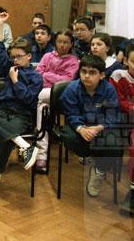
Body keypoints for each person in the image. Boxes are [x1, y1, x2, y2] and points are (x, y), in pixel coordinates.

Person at [0, 12, 43, 196]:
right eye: (13, 57)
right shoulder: (10, 68)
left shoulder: (35, 77)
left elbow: (28, 99)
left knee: (5, 137)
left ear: (29, 56)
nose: (15, 60)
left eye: (19, 56)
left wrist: (15, 81)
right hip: (2, 111)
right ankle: (25, 146)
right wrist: (0, 24)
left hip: (21, 115)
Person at [61, 55, 121, 199]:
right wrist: (81, 128)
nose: (87, 76)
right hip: (79, 125)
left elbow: (112, 115)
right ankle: (90, 155)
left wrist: (99, 127)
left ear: (102, 75)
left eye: (92, 72)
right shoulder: (72, 88)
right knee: (68, 137)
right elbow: (71, 113)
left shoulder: (109, 89)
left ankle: (99, 171)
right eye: (84, 71)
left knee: (113, 143)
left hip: (100, 126)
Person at [33, 28, 80, 172]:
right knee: (41, 106)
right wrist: (53, 77)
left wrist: (47, 75)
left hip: (61, 96)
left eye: (66, 42)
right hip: (44, 94)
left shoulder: (73, 61)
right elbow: (37, 73)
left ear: (71, 44)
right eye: (60, 41)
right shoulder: (47, 56)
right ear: (55, 42)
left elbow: (67, 80)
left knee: (42, 97)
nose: (62, 45)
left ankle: (39, 150)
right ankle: (41, 155)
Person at [110, 43, 134, 216]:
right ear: (125, 60)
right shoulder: (119, 76)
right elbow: (115, 100)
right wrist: (133, 108)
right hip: (131, 122)